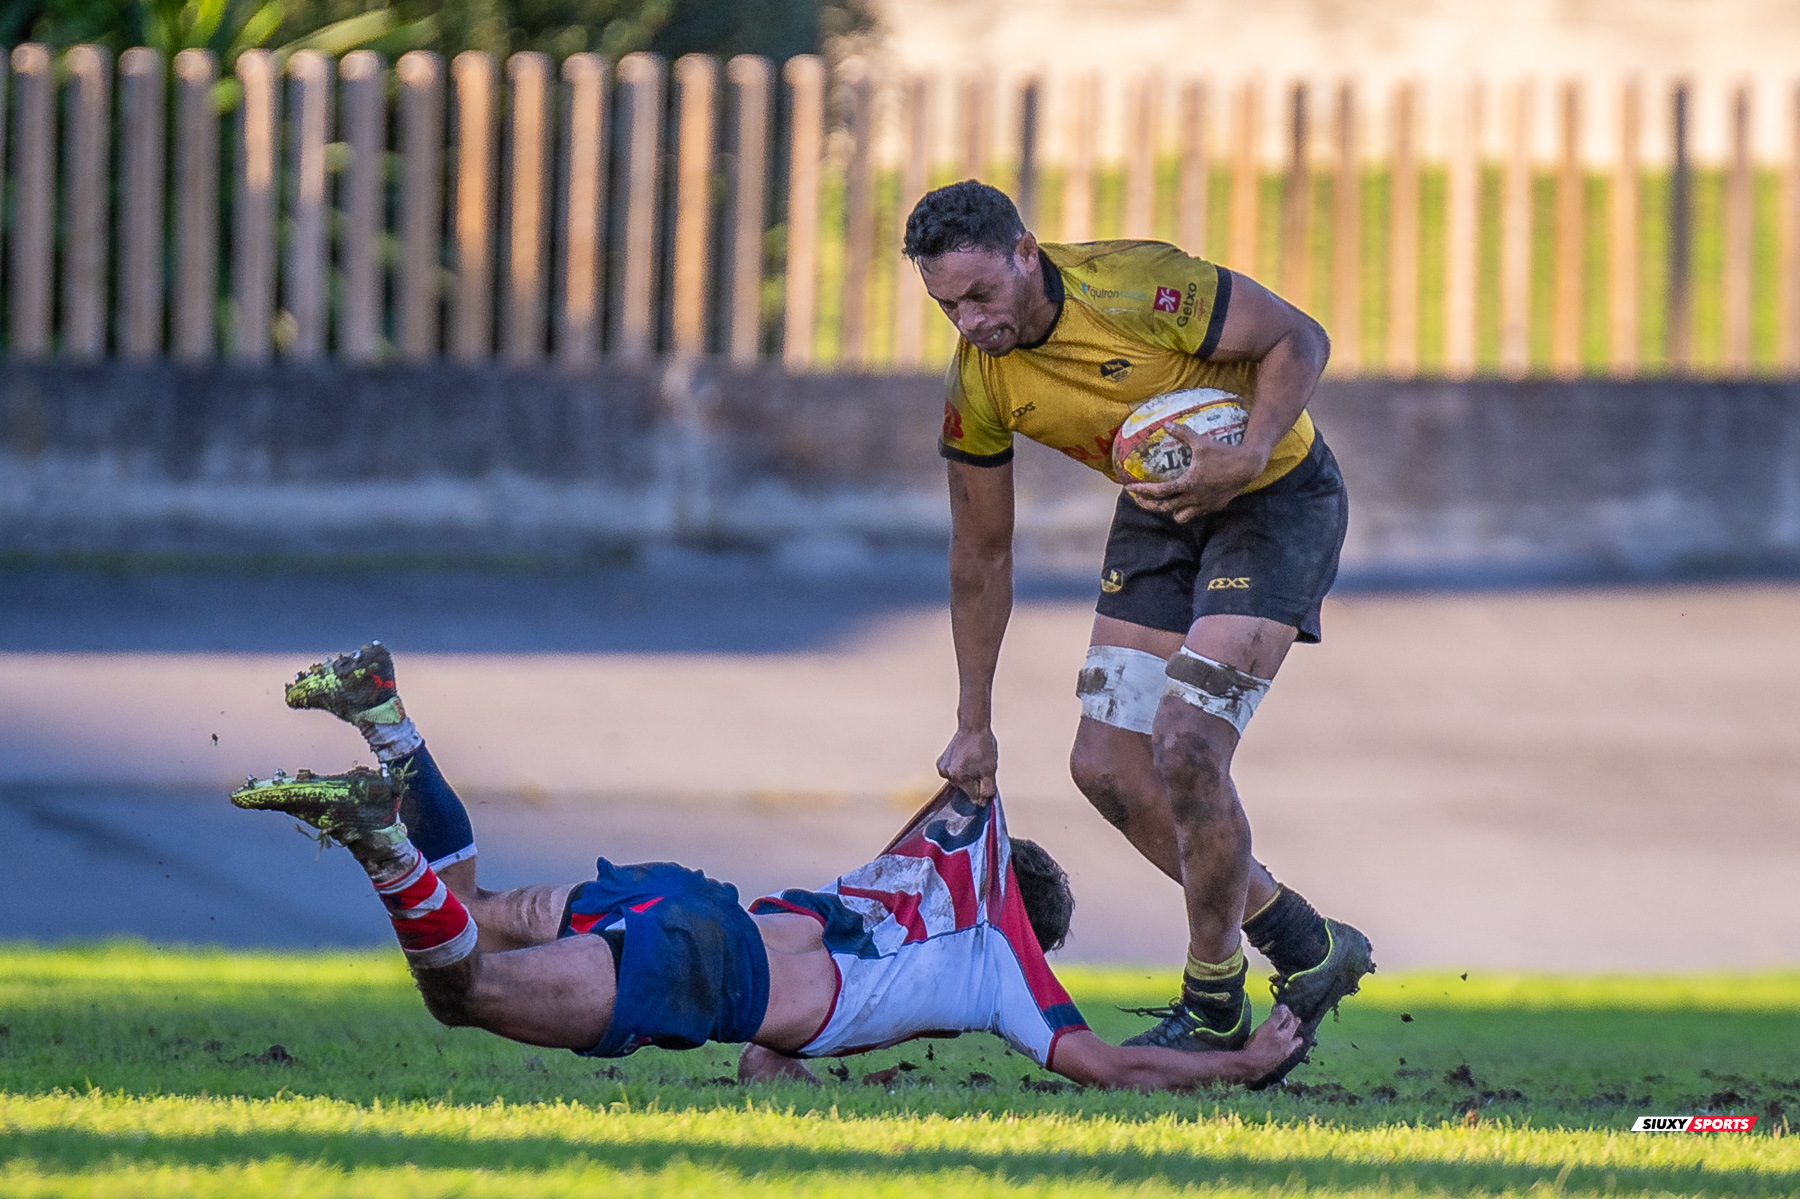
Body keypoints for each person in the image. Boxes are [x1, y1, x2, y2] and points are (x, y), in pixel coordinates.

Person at [233, 643, 1303, 1091]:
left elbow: (966, 790)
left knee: (464, 904)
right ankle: (378, 837)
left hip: (678, 895)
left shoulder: (922, 855)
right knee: (463, 994)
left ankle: (385, 715)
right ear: (1030, 919)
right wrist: (1243, 1062)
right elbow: (1111, 1065)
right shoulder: (1002, 962)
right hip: (711, 968)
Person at [904, 180, 1373, 1080]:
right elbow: (981, 555)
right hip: (1160, 510)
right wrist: (973, 720)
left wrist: (1246, 449)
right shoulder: (981, 382)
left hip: (1273, 499)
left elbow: (1298, 337)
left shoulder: (1139, 286)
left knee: (1188, 741)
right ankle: (1307, 944)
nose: (968, 321)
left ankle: (1213, 1005)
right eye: (947, 305)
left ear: (1025, 253)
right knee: (1104, 766)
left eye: (981, 295)